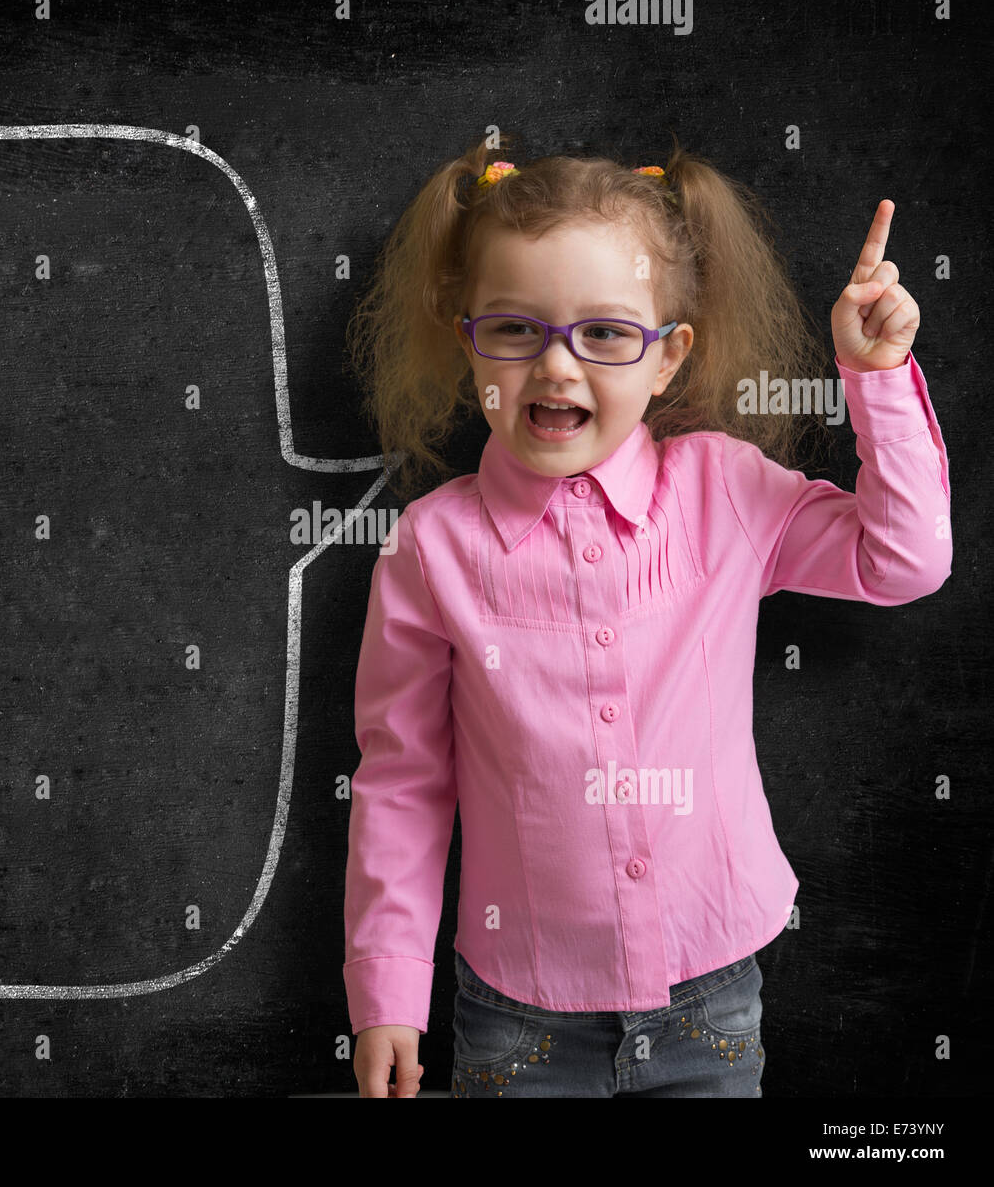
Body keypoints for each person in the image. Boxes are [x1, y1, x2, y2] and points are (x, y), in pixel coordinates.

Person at [340, 133, 952, 1097]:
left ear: (668, 358)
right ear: (469, 346)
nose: (558, 369)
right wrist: (387, 991)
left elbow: (904, 560)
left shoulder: (726, 492)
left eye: (607, 334)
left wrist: (874, 377)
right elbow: (405, 782)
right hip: (519, 1019)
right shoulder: (430, 546)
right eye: (515, 329)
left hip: (710, 1000)